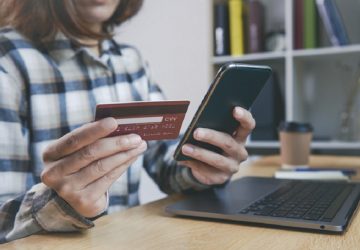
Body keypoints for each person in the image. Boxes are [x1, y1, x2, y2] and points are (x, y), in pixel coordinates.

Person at [0, 0, 255, 243]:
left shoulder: (131, 61)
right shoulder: (8, 60)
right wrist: (59, 205)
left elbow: (167, 163)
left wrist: (204, 164)